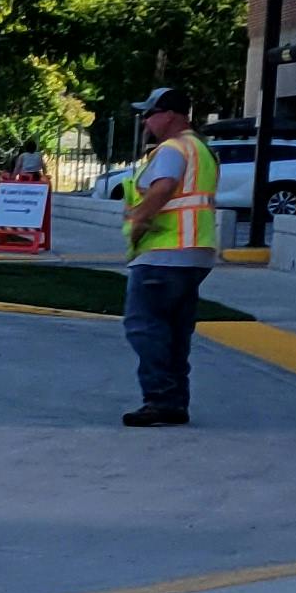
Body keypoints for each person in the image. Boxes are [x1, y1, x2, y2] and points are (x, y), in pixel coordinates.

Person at [117, 87, 218, 427]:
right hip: (195, 254)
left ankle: (159, 399)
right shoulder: (201, 150)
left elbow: (162, 188)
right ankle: (175, 402)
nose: (146, 120)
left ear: (171, 115)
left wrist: (139, 222)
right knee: (174, 330)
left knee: (144, 326)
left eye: (151, 113)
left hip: (164, 252)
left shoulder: (173, 149)